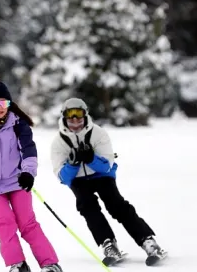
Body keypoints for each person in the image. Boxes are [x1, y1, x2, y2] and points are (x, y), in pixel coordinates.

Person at [0, 74, 64, 272]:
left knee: (27, 223)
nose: (0, 108)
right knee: (5, 223)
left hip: (17, 181)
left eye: (4, 103)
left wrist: (28, 173)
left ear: (9, 103)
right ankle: (17, 265)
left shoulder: (18, 123)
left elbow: (28, 150)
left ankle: (50, 264)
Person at [49, 97, 167, 266]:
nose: (75, 121)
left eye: (79, 115)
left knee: (116, 205)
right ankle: (108, 243)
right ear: (64, 118)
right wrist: (73, 163)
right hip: (78, 179)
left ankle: (148, 241)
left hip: (101, 175)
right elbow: (63, 177)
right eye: (70, 116)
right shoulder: (58, 143)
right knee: (87, 206)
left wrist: (90, 158)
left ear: (85, 115)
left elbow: (106, 166)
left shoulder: (98, 133)